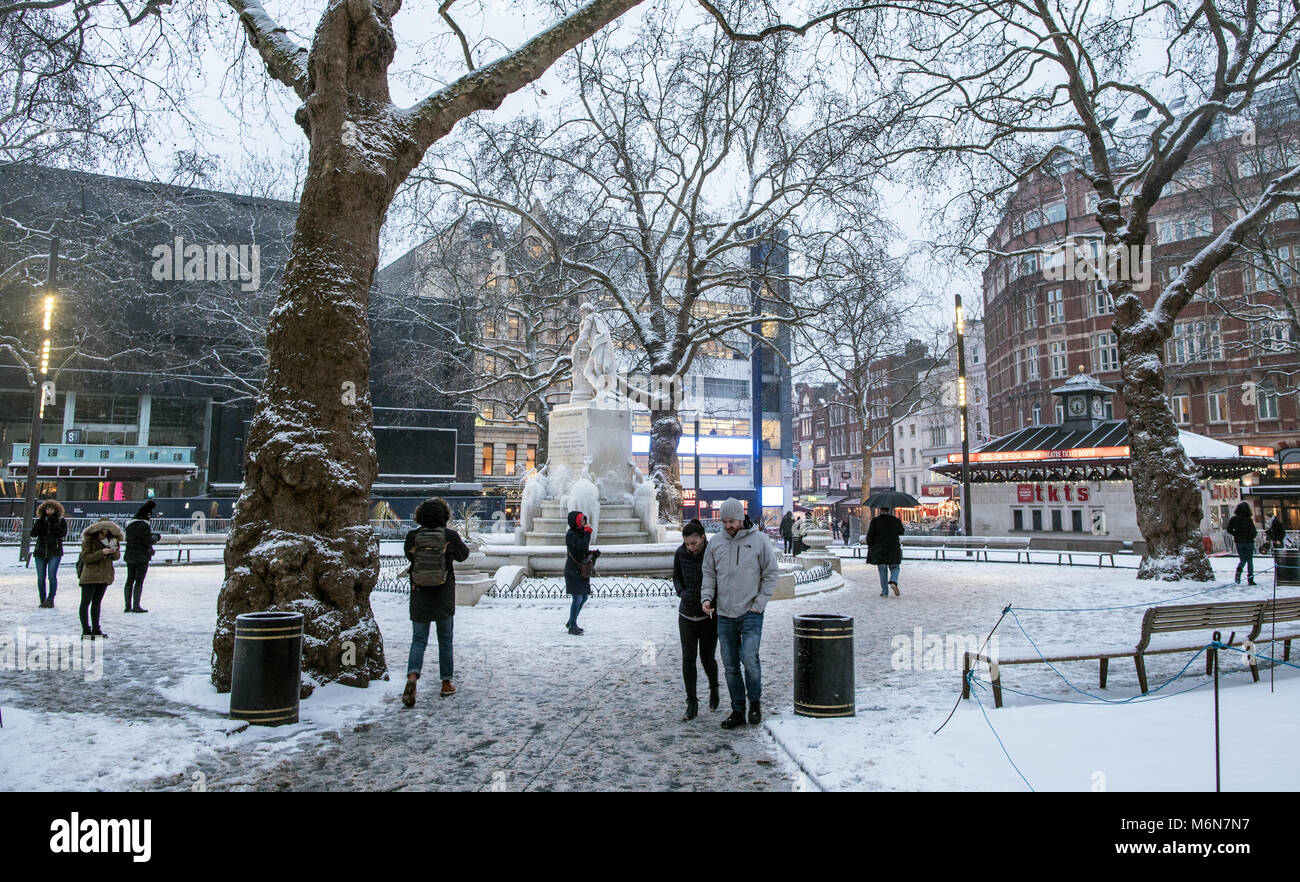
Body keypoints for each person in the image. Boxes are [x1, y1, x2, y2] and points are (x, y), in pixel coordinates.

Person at [701, 498, 777, 730]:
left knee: (750, 660)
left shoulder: (760, 541)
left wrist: (760, 602)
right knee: (731, 665)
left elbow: (771, 573)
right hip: (724, 613)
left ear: (741, 518)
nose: (727, 525)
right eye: (724, 521)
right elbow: (709, 573)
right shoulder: (715, 543)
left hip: (751, 611)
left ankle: (754, 703)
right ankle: (737, 709)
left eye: (731, 521)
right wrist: (706, 598)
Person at [402, 497, 470, 707]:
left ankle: (413, 676)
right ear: (444, 517)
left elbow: (409, 557)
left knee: (419, 639)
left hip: (420, 592)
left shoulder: (413, 536)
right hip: (443, 593)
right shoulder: (448, 536)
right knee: (445, 639)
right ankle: (446, 682)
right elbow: (464, 555)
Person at [673, 519, 718, 721]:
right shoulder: (680, 553)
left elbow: (719, 578)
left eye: (694, 543)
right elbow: (676, 576)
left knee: (707, 658)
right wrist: (682, 592)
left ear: (703, 537)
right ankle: (691, 702)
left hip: (708, 616)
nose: (690, 547)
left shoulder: (712, 553)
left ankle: (714, 687)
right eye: (687, 543)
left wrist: (713, 600)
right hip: (686, 615)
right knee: (688, 659)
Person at [78, 519, 123, 638]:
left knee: (97, 603)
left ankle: (96, 629)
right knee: (86, 602)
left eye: (107, 530)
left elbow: (117, 557)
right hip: (90, 576)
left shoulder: (113, 541)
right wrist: (101, 552)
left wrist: (113, 551)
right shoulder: (89, 540)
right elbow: (86, 557)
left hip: (104, 575)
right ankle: (86, 631)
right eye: (102, 529)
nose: (104, 532)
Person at [564, 510, 599, 635]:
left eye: (584, 519)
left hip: (581, 570)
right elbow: (582, 546)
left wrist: (592, 554)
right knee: (577, 597)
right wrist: (588, 533)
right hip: (573, 570)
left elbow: (582, 551)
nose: (585, 522)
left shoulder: (579, 532)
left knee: (583, 597)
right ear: (576, 521)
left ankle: (571, 621)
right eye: (582, 520)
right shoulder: (571, 534)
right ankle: (572, 626)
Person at [123, 500, 160, 613]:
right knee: (139, 581)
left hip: (130, 555)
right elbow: (147, 541)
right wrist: (156, 537)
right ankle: (136, 605)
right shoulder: (144, 525)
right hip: (142, 557)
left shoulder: (130, 525)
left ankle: (127, 606)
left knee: (129, 580)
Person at [31, 499, 67, 608]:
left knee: (52, 576)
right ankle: (42, 599)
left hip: (54, 552)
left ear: (56, 510)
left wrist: (53, 524)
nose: (49, 511)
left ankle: (51, 599)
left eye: (51, 509)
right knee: (41, 577)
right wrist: (42, 523)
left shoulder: (61, 521)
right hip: (40, 552)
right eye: (47, 509)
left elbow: (62, 534)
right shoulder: (40, 521)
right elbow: (33, 533)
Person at [866, 506, 905, 597]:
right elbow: (901, 531)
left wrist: (870, 544)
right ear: (888, 510)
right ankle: (894, 581)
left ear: (880, 510)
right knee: (895, 567)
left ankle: (884, 592)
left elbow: (870, 535)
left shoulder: (875, 521)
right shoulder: (895, 520)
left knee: (882, 570)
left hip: (880, 550)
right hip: (893, 549)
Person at [1226, 501, 1258, 585]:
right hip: (1249, 542)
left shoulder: (1234, 519)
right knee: (1250, 561)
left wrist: (1236, 534)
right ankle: (1250, 578)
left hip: (1239, 541)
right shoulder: (1248, 520)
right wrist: (1251, 536)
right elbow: (1254, 532)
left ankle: (1238, 573)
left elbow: (1229, 529)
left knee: (1243, 560)